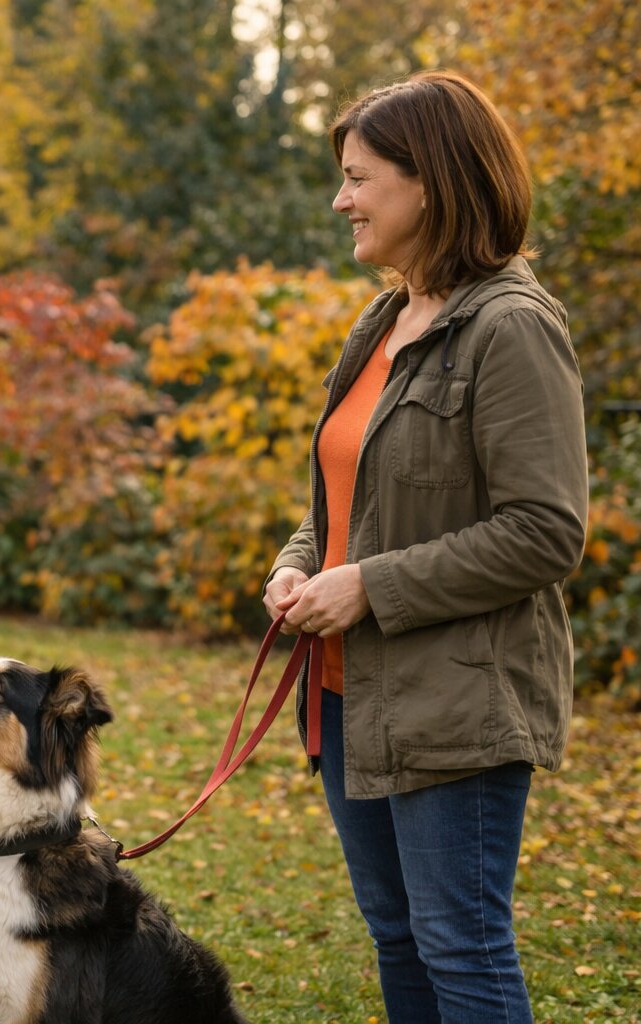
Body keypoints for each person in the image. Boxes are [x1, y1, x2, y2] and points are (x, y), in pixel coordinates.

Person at [263, 70, 586, 1023]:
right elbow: (341, 500)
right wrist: (297, 561)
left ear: (431, 185)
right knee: (398, 940)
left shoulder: (511, 329)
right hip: (345, 695)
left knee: (462, 950)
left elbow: (546, 531)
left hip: (456, 700)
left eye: (361, 178)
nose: (342, 199)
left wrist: (368, 586)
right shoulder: (385, 320)